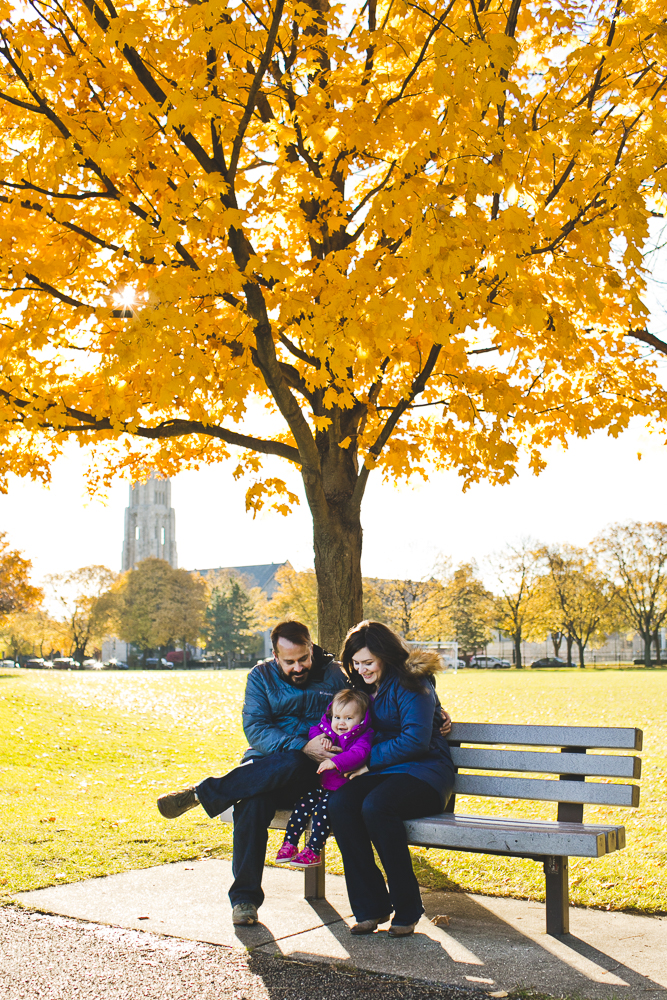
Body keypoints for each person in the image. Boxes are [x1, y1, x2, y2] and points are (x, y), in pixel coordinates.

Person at [157, 620, 347, 926]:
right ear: (274, 655)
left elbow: (378, 689)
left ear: (311, 649)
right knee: (253, 801)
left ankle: (201, 793)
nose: (298, 667)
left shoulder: (336, 675)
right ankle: (244, 901)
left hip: (316, 773)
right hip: (268, 765)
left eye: (303, 659)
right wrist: (302, 745)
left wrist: (433, 709)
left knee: (297, 763)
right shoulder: (260, 677)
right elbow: (256, 730)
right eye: (289, 662)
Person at [328, 620, 455, 939]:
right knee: (341, 804)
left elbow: (416, 740)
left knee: (377, 807)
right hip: (383, 772)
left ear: (385, 655)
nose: (361, 669)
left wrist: (367, 760)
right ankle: (370, 908)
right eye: (355, 663)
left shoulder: (412, 682)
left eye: (368, 662)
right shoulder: (361, 687)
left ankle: (408, 907)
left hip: (426, 773)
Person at [274, 688, 373, 869]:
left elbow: (360, 754)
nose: (341, 723)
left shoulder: (362, 737)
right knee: (302, 804)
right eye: (337, 717)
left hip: (340, 788)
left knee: (321, 811)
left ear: (362, 719)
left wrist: (335, 762)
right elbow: (315, 730)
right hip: (323, 785)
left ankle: (313, 850)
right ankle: (290, 844)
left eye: (348, 718)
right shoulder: (329, 730)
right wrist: (322, 738)